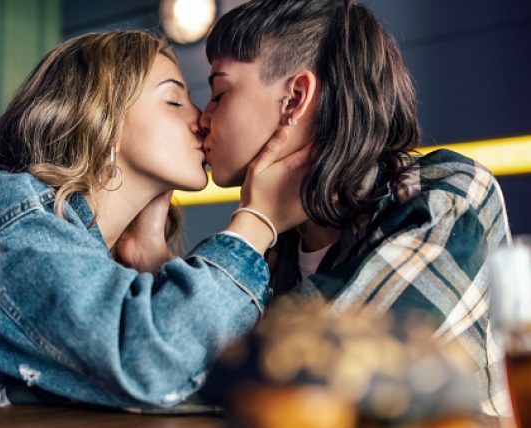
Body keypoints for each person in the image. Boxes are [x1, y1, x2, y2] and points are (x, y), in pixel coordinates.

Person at [0, 30, 309, 409]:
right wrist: (256, 222)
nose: (202, 119)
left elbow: (201, 377)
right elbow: (153, 363)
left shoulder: (107, 265)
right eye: (175, 101)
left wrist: (153, 260)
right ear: (99, 116)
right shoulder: (3, 207)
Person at [199, 0, 511, 415]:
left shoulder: (447, 196)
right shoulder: (271, 244)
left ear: (294, 100)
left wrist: (255, 223)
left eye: (219, 92)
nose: (203, 118)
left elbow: (304, 374)